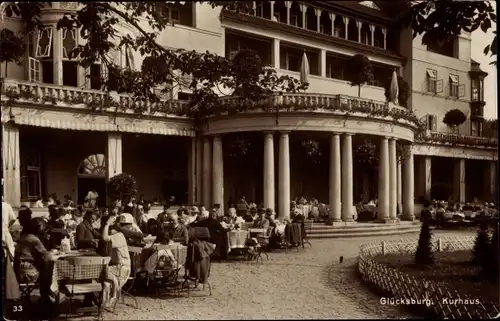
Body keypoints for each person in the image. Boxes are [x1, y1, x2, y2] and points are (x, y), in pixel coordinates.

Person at [101, 215, 131, 308]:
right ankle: (105, 302)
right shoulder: (116, 235)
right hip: (117, 267)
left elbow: (104, 237)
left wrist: (107, 224)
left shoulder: (118, 236)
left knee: (103, 272)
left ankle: (113, 295)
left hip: (122, 269)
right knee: (105, 282)